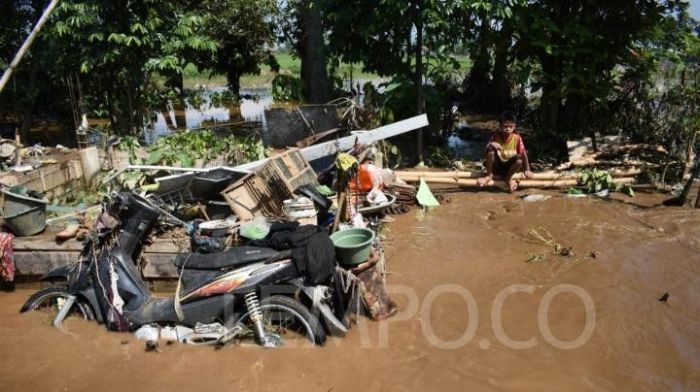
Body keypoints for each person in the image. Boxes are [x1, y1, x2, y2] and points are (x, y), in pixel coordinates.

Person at [476, 111, 534, 192]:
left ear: (514, 127)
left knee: (519, 158)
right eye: (505, 126)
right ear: (500, 126)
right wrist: (492, 144)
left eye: (511, 126)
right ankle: (489, 175)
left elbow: (523, 153)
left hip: (509, 169)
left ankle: (508, 178)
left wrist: (527, 169)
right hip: (496, 167)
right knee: (490, 150)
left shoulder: (517, 138)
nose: (508, 129)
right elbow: (486, 152)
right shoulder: (495, 137)